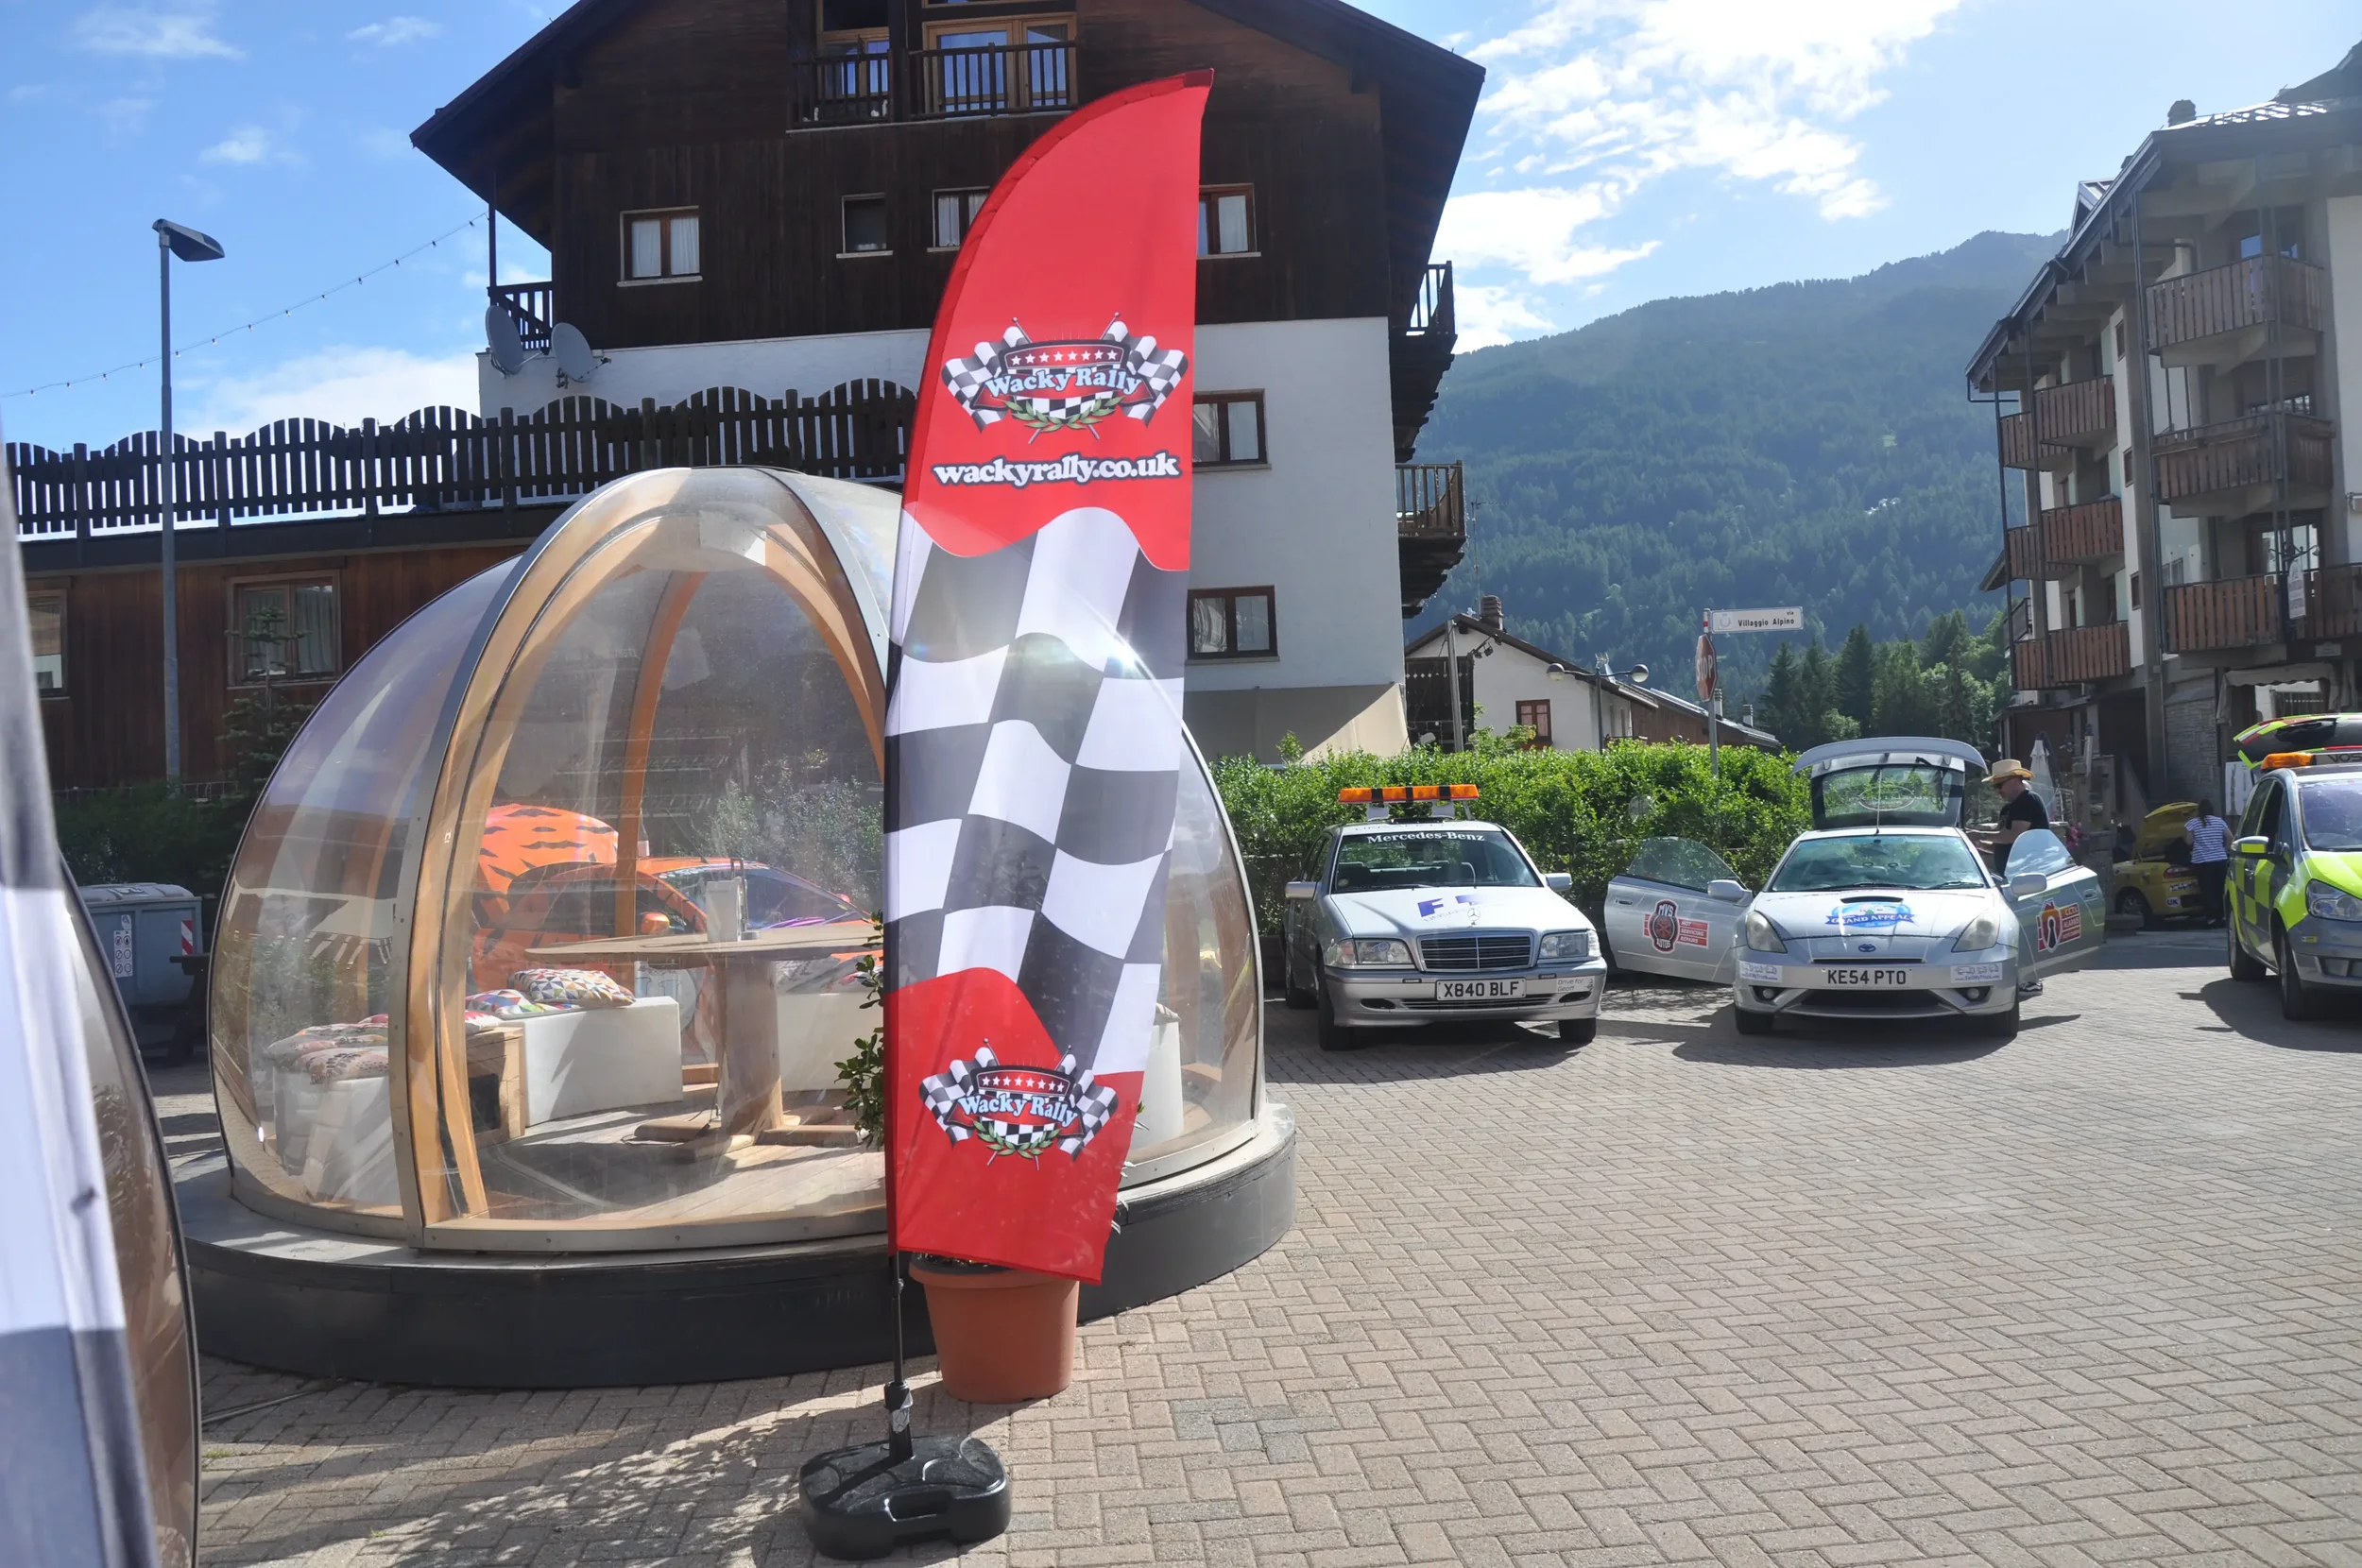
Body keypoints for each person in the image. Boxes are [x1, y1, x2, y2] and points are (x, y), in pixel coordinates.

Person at [1986, 758, 2049, 873]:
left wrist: (1980, 835)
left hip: (2030, 873)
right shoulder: (2007, 809)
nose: (1998, 791)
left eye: (1999, 785)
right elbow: (2000, 844)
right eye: (1995, 787)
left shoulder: (2028, 800)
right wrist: (1978, 844)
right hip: (2011, 874)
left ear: (2015, 780)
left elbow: (2014, 836)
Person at [2185, 798, 2232, 927]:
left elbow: (2189, 841)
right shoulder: (2219, 821)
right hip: (2220, 860)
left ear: (2199, 810)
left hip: (2202, 862)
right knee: (2220, 889)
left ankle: (2211, 919)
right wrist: (2225, 850)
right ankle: (2223, 917)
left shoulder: (2193, 823)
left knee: (2207, 890)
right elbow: (2230, 837)